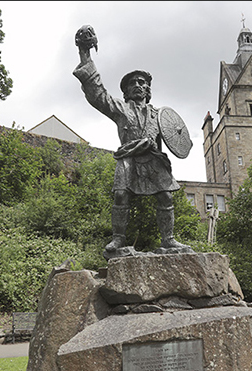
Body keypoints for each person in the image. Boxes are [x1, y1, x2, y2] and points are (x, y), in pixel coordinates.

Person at [73, 25, 193, 259]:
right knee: (120, 194)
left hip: (152, 159)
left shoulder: (159, 115)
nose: (138, 85)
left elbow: (174, 135)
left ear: (148, 89)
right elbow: (98, 94)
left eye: (142, 82)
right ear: (126, 91)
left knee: (166, 196)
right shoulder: (120, 108)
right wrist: (84, 54)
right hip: (128, 158)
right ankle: (118, 240)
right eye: (133, 83)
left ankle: (168, 241)